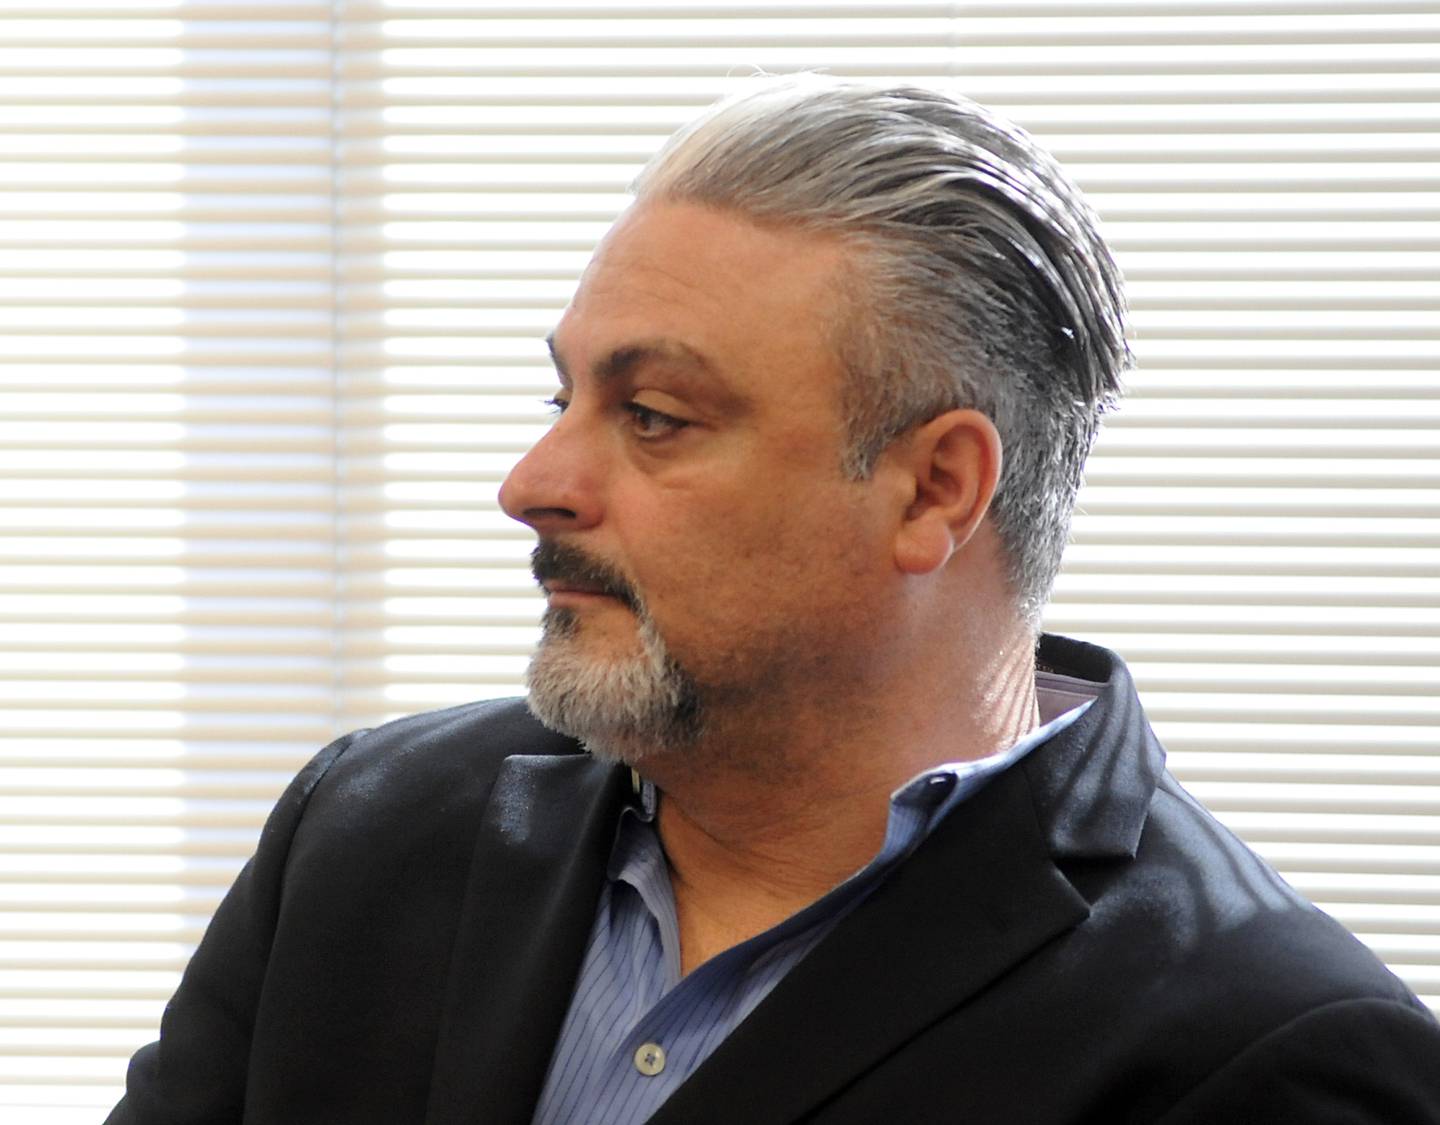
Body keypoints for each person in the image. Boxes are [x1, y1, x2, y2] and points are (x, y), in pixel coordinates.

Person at [108, 76, 1440, 1125]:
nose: (533, 482)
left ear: (934, 490)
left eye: (656, 415)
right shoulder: (369, 827)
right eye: (560, 395)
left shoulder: (1268, 1050)